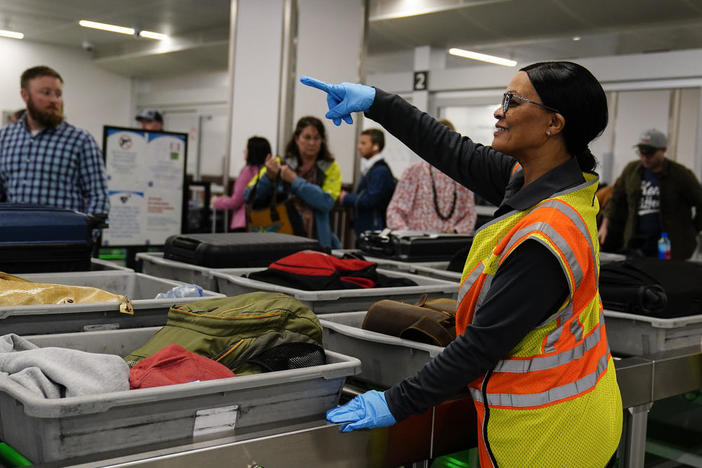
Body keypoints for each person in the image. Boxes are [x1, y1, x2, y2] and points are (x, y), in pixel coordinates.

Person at [302, 61, 622, 468]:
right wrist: (377, 102)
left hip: (548, 439)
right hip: (581, 410)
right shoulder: (546, 181)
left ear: (553, 124)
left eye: (513, 100)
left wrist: (395, 402)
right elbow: (451, 150)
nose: (498, 111)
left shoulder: (546, 235)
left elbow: (479, 346)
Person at [0, 66, 109, 217]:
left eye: (58, 94)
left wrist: (86, 235)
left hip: (64, 238)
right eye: (46, 93)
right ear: (25, 95)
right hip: (15, 236)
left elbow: (98, 196)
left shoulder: (80, 140)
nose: (54, 100)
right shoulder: (5, 138)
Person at [598, 129, 702, 259]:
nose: (645, 157)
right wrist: (604, 226)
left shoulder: (680, 174)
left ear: (663, 150)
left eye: (650, 153)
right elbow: (615, 200)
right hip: (635, 242)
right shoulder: (631, 171)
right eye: (641, 152)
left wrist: (692, 231)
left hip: (668, 247)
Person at [245, 116, 342, 248]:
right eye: (307, 137)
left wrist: (295, 181)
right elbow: (249, 196)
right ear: (297, 139)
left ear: (322, 141)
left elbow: (326, 202)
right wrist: (268, 177)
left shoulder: (331, 167)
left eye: (317, 138)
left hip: (317, 242)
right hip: (281, 239)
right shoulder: (278, 163)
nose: (312, 143)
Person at [386, 119, 476, 234]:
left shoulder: (462, 175)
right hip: (417, 245)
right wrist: (408, 236)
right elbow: (394, 212)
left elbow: (469, 215)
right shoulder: (414, 171)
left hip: (450, 246)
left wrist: (454, 232)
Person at [339, 128, 395, 235]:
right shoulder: (373, 169)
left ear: (376, 146)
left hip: (374, 228)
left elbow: (371, 199)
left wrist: (347, 198)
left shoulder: (380, 171)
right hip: (368, 226)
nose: (359, 147)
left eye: (364, 143)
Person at [211, 136, 271, 231]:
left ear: (252, 152)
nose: (244, 151)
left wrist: (216, 201)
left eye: (247, 148)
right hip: (263, 224)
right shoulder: (268, 172)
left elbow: (236, 202)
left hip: (243, 224)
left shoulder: (248, 171)